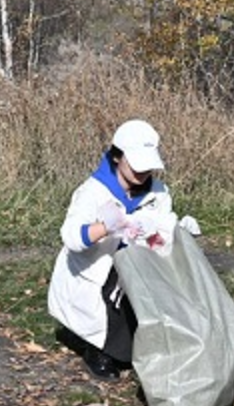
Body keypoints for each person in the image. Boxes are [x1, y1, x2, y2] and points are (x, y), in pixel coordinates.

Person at [48, 119, 178, 380]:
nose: (143, 173)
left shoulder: (159, 193)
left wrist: (166, 235)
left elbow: (161, 235)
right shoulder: (92, 191)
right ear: (118, 157)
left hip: (141, 264)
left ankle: (140, 344)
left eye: (147, 166)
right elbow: (71, 236)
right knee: (113, 295)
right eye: (136, 165)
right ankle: (99, 350)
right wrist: (105, 227)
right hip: (98, 269)